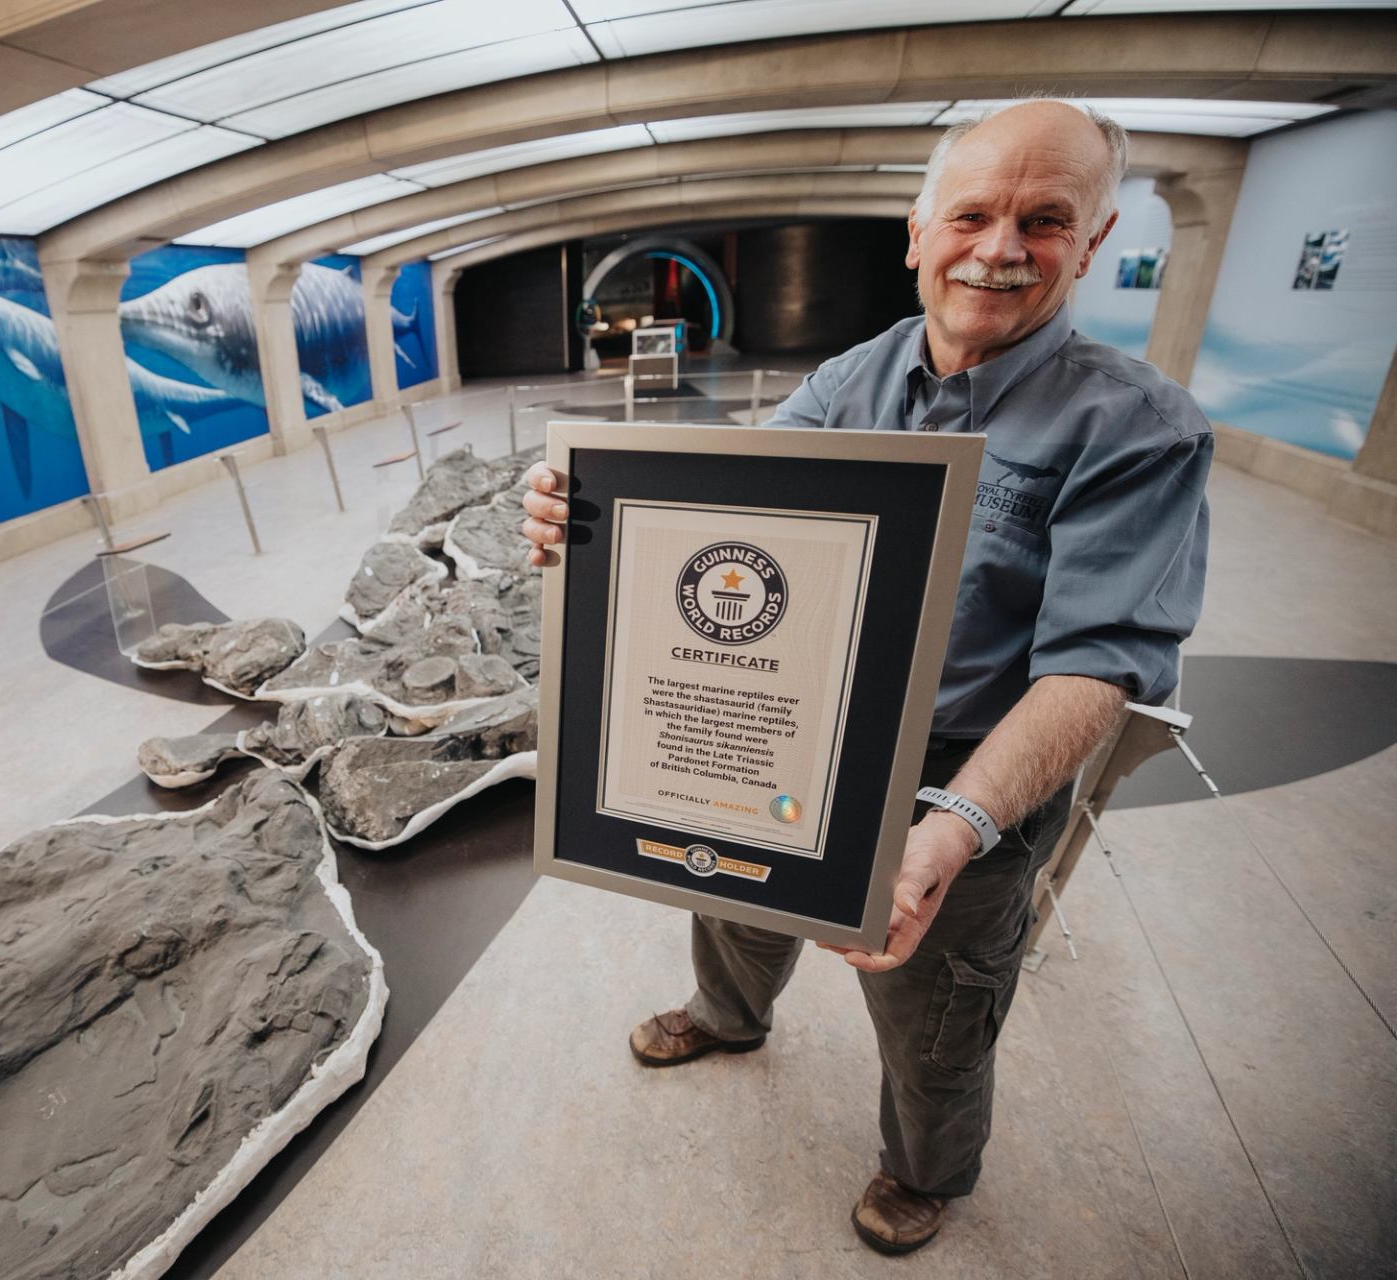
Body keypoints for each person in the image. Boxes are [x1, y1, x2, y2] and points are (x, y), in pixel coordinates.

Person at [519, 100, 1213, 1255]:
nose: (999, 248)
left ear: (1090, 244)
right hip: (803, 724)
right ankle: (729, 1016)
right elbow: (720, 518)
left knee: (936, 1001)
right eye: (974, 212)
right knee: (732, 890)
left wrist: (952, 828)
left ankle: (924, 1167)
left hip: (967, 770)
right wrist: (585, 518)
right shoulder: (854, 377)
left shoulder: (1136, 427)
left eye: (1045, 221)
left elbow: (1100, 665)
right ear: (918, 230)